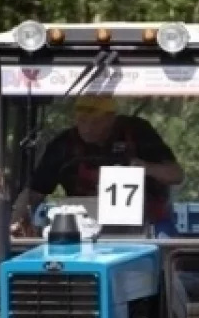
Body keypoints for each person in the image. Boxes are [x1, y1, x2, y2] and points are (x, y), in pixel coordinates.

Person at [10, 95, 185, 235]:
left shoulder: (137, 132)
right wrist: (14, 222)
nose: (86, 128)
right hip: (83, 228)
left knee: (167, 257)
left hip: (147, 223)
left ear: (111, 119)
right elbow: (33, 192)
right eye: (81, 121)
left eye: (94, 122)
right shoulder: (63, 145)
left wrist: (145, 168)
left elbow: (176, 175)